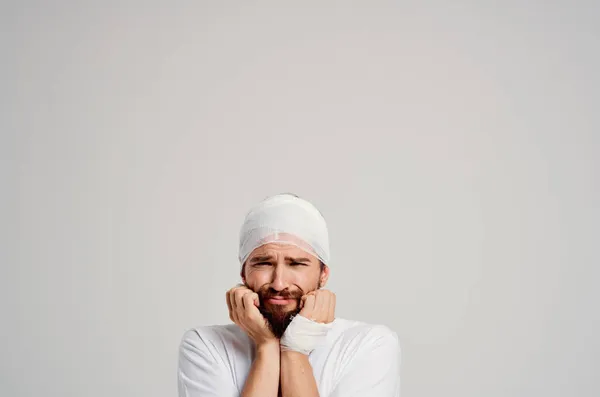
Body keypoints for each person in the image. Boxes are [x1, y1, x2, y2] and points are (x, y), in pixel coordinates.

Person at [177, 193, 401, 397]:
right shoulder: (206, 345)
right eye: (264, 263)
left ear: (323, 274)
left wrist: (295, 350)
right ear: (243, 274)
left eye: (297, 264)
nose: (279, 283)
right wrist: (266, 346)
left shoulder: (368, 345)